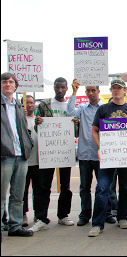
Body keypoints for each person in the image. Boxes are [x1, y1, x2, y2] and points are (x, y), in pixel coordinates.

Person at [88, 79, 127, 237]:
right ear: (111, 91)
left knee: (125, 188)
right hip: (108, 156)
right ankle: (97, 223)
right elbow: (94, 130)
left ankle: (122, 217)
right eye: (113, 88)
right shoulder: (103, 109)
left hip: (125, 155)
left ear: (125, 90)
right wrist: (100, 147)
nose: (116, 90)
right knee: (102, 188)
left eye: (119, 88)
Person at [67, 79, 116, 226]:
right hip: (84, 154)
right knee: (84, 187)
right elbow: (70, 112)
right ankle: (85, 214)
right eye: (87, 90)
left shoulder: (106, 108)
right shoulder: (82, 108)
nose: (90, 93)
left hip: (101, 154)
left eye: (93, 90)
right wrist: (74, 91)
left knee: (103, 186)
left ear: (98, 91)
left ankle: (106, 213)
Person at [30, 77, 75, 232]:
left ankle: (63, 215)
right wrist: (38, 123)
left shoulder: (71, 106)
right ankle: (41, 217)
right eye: (58, 87)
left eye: (63, 87)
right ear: (54, 88)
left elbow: (75, 132)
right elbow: (38, 129)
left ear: (67, 88)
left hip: (65, 150)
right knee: (44, 185)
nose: (60, 90)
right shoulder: (44, 104)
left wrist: (76, 124)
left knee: (66, 186)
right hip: (48, 151)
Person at [1, 72, 33, 238]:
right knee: (1, 195)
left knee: (18, 194)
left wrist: (28, 144)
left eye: (11, 82)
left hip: (21, 155)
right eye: (5, 82)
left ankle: (15, 226)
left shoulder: (18, 106)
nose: (8, 84)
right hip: (4, 156)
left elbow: (24, 128)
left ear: (15, 86)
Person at [21, 95, 40, 228]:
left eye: (31, 102)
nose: (29, 105)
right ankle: (23, 214)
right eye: (26, 103)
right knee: (22, 190)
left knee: (38, 190)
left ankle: (38, 214)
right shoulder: (20, 119)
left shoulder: (38, 120)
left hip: (38, 161)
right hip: (24, 161)